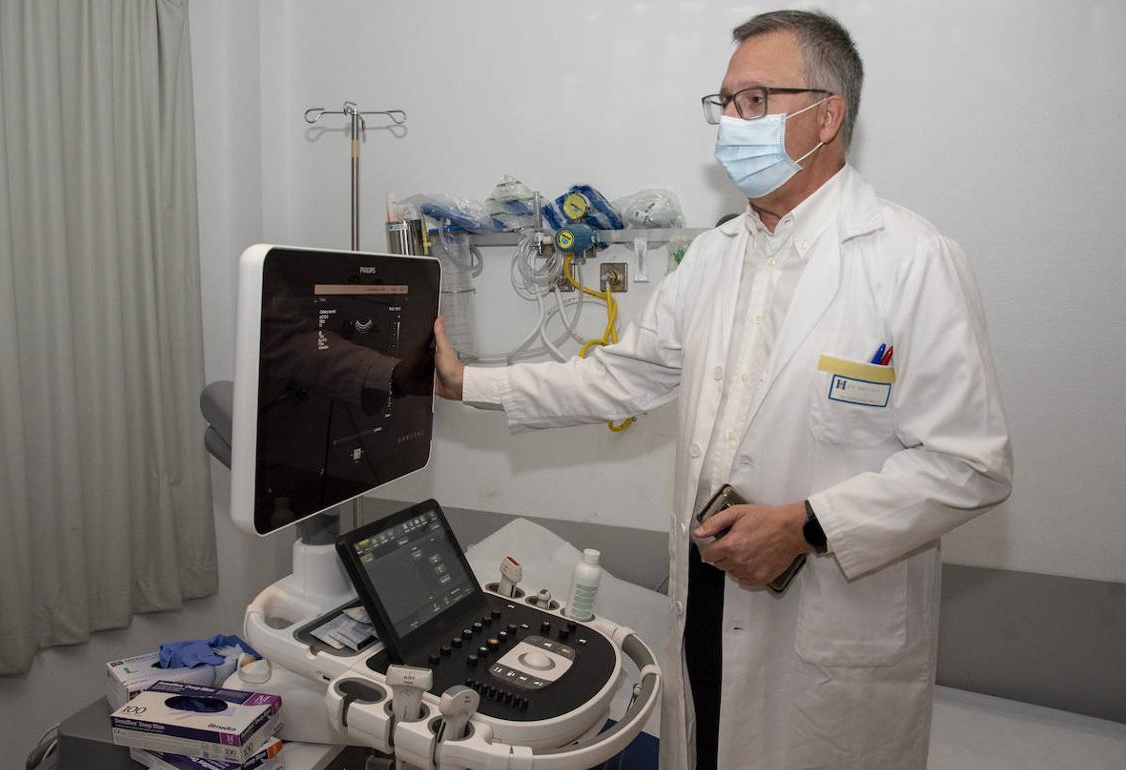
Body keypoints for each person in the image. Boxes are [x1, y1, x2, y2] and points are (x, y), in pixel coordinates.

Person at [433, 9, 1012, 770]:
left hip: (828, 622)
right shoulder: (712, 258)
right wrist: (466, 381)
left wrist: (808, 525)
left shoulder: (911, 259)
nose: (730, 124)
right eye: (725, 103)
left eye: (753, 102)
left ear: (827, 114)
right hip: (707, 603)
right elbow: (620, 376)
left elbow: (971, 464)